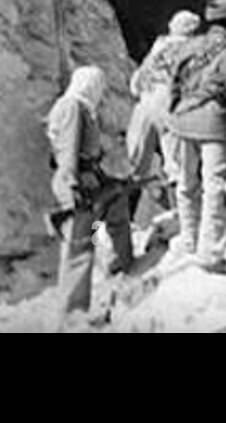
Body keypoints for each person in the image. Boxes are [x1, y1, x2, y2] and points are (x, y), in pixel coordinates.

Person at [168, 0, 226, 274]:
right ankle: (210, 254)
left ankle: (188, 241)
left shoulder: (189, 47)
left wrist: (176, 112)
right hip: (214, 122)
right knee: (213, 187)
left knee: (186, 183)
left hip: (181, 119)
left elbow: (174, 85)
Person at [45, 65, 135, 315]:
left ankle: (121, 267)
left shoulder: (83, 107)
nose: (101, 92)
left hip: (89, 180)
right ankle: (72, 312)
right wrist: (71, 187)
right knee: (80, 246)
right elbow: (68, 151)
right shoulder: (72, 107)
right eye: (98, 86)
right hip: (77, 184)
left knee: (113, 211)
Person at [126, 9, 201, 211]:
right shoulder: (193, 50)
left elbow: (135, 83)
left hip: (144, 106)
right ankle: (181, 214)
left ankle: (125, 217)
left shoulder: (157, 48)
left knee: (135, 166)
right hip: (170, 108)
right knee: (176, 165)